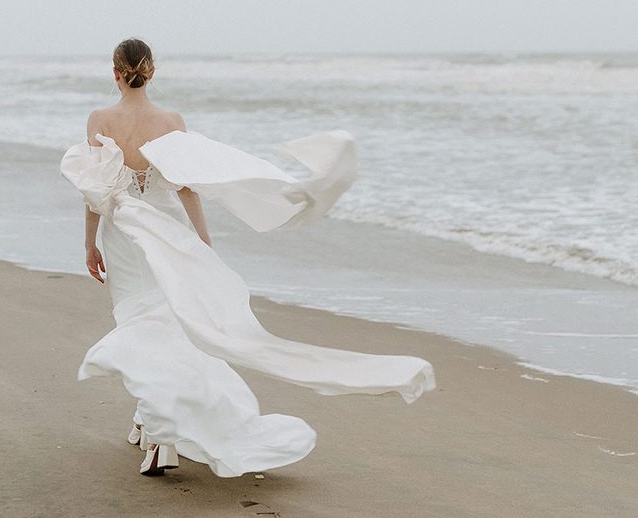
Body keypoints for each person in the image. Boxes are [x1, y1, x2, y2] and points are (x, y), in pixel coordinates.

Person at [60, 38, 436, 477]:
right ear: (152, 71)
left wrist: (89, 243)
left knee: (139, 324)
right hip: (170, 232)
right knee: (173, 325)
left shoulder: (99, 119)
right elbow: (187, 186)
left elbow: (95, 191)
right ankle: (153, 426)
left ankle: (157, 428)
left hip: (123, 232)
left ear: (115, 72)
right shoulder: (171, 121)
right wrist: (202, 242)